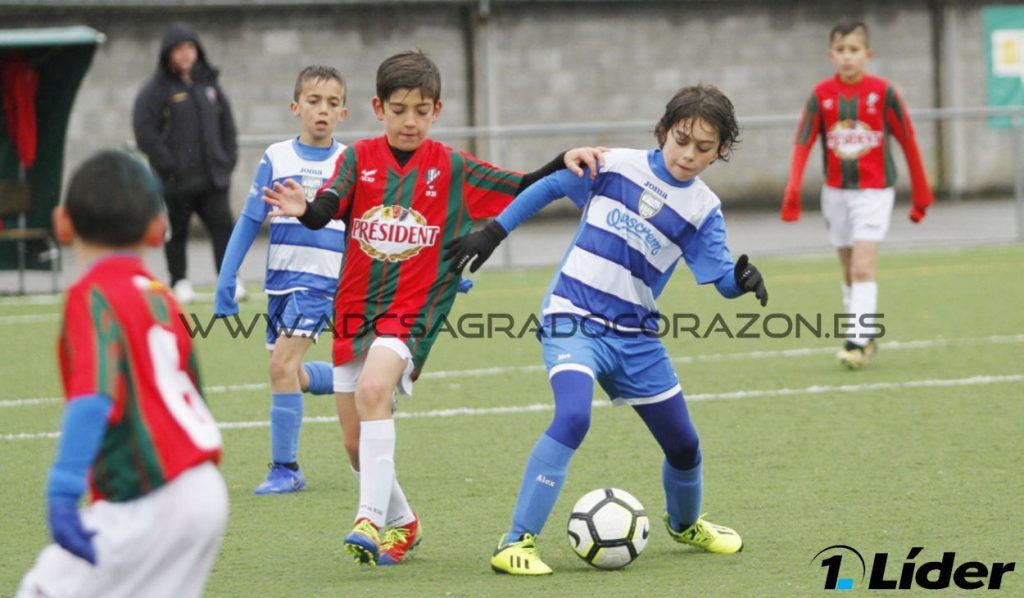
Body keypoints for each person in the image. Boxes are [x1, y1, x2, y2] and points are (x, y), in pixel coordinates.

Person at [262, 50, 604, 567]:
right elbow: (327, 209)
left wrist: (564, 160)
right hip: (354, 309)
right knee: (354, 445)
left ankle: (368, 520)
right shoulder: (357, 159)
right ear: (378, 108)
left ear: (437, 111)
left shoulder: (452, 167)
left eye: (421, 111)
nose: (410, 121)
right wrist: (304, 208)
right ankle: (403, 522)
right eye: (399, 110)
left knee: (374, 391)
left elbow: (521, 186)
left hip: (413, 310)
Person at [443, 84, 768, 575]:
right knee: (574, 416)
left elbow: (720, 278)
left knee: (684, 446)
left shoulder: (704, 210)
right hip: (572, 314)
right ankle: (516, 542)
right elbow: (553, 185)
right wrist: (493, 233)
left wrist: (740, 281)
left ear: (720, 150)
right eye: (681, 140)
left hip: (636, 336)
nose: (688, 154)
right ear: (663, 131)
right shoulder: (614, 165)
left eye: (703, 148)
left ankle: (685, 524)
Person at [16, 151, 227, 597]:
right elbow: (194, 390)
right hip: (204, 488)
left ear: (62, 223)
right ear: (157, 229)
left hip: (148, 495)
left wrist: (63, 490)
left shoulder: (92, 295)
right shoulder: (162, 296)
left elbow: (93, 395)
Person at [214, 65, 348, 494]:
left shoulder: (349, 162)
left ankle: (286, 469)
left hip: (320, 283)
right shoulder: (276, 157)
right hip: (279, 283)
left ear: (343, 113)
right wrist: (226, 276)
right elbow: (250, 218)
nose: (322, 110)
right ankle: (357, 382)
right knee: (290, 374)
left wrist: (437, 270)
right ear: (296, 107)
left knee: (281, 366)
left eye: (332, 103)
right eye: (314, 101)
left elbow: (374, 226)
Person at [781, 20, 933, 369]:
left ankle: (856, 341)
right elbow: (803, 141)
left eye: (854, 49)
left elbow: (907, 139)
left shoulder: (884, 93)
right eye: (841, 50)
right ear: (831, 55)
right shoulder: (821, 95)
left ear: (868, 54)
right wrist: (793, 189)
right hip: (836, 194)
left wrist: (921, 194)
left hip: (874, 193)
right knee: (850, 270)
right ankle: (865, 334)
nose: (847, 56)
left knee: (863, 267)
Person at [132, 21, 240, 304]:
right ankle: (179, 281)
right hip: (176, 181)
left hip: (214, 178)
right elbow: (145, 132)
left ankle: (228, 281)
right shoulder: (155, 90)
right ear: (168, 54)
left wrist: (227, 159)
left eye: (190, 47)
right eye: (179, 48)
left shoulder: (209, 86)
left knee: (224, 229)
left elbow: (227, 126)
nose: (185, 54)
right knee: (176, 232)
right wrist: (169, 165)